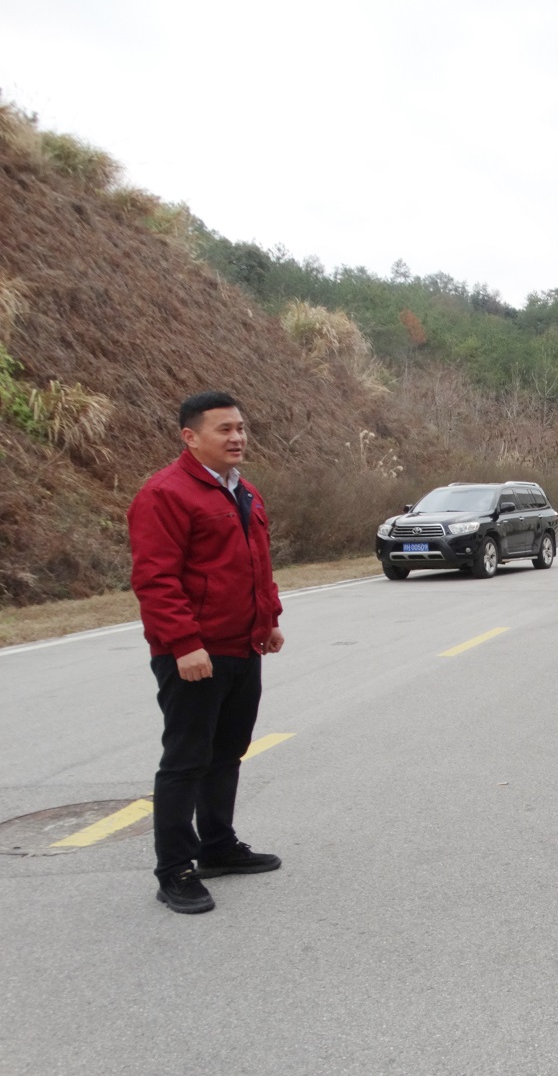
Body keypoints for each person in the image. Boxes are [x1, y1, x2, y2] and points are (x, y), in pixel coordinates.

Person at [128, 392, 285, 915]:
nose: (237, 437)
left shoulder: (244, 491)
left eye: (241, 427)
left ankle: (217, 845)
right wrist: (185, 644)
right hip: (194, 653)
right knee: (186, 760)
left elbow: (257, 564)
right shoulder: (165, 494)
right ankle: (174, 870)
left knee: (227, 752)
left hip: (242, 646)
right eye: (224, 429)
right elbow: (155, 579)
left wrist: (269, 620)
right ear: (190, 437)